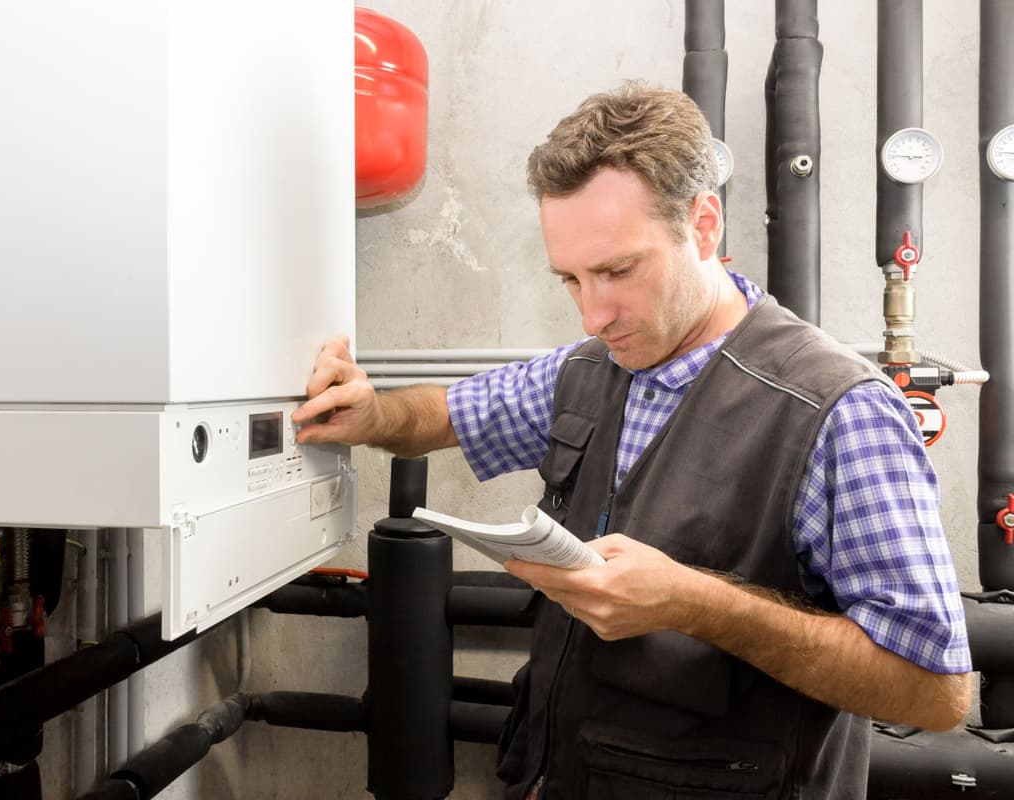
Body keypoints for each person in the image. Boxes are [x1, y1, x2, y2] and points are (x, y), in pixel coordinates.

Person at [293, 81, 971, 800]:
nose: (593, 314)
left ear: (703, 226)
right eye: (571, 279)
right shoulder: (593, 368)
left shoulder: (840, 412)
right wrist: (372, 415)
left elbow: (933, 690)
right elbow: (445, 414)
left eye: (618, 270)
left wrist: (694, 604)